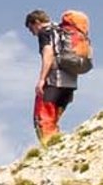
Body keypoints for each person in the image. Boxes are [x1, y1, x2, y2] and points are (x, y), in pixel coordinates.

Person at [27, 9, 78, 143]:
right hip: (70, 84)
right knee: (53, 121)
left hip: (54, 81)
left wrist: (42, 79)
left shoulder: (45, 32)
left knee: (41, 118)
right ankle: (58, 147)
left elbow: (48, 53)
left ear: (37, 22)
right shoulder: (62, 31)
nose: (33, 34)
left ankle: (49, 151)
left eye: (31, 29)